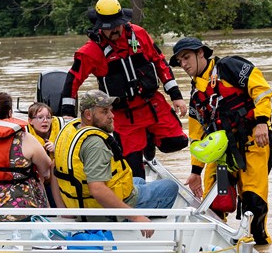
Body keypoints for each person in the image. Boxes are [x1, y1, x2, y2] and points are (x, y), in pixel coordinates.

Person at [58, 0, 188, 179]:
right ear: (100, 26)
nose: (114, 30)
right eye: (109, 27)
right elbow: (73, 80)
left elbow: (160, 62)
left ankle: (149, 139)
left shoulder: (139, 34)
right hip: (123, 116)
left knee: (177, 142)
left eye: (117, 25)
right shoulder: (90, 51)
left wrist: (176, 95)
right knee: (135, 172)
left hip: (152, 105)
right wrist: (67, 114)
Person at [169, 37, 272, 245]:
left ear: (201, 53)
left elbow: (262, 90)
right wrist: (195, 171)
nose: (184, 64)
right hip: (222, 154)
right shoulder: (196, 94)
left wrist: (262, 121)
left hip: (253, 143)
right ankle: (219, 247)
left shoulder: (229, 67)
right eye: (180, 61)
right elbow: (197, 136)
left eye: (186, 57)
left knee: (254, 202)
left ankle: (261, 249)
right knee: (213, 205)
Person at [53, 90, 180, 238]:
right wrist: (136, 217)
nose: (112, 116)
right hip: (101, 213)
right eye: (104, 112)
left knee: (138, 181)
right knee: (170, 187)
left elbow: (54, 167)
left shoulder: (71, 131)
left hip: (80, 205)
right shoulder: (95, 144)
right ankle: (142, 221)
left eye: (111, 111)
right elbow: (98, 189)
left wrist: (64, 210)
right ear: (88, 115)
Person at [26, 102, 64, 207]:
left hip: (57, 180)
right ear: (30, 121)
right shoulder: (25, 134)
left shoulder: (61, 131)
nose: (45, 121)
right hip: (38, 180)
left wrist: (57, 148)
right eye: (40, 117)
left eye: (48, 117)